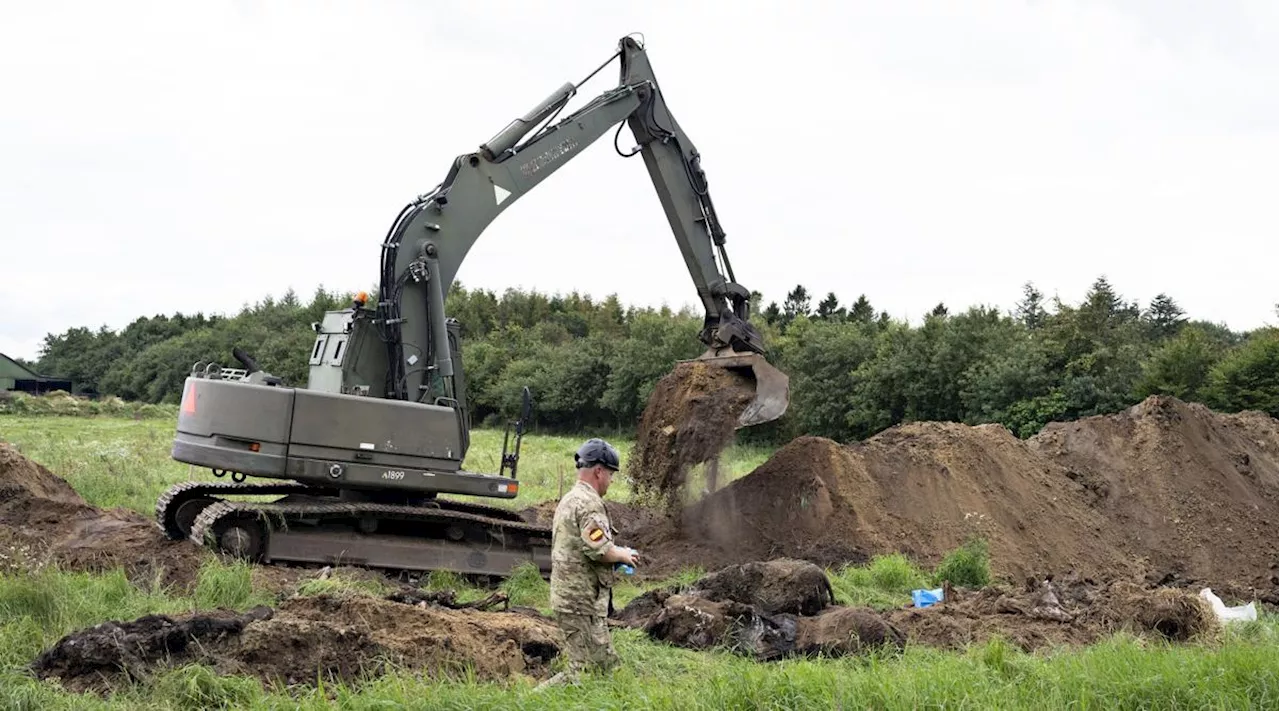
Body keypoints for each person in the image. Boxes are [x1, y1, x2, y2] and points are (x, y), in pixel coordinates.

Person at [536, 437, 640, 690]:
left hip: (578, 599)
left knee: (605, 662)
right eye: (611, 474)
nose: (611, 481)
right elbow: (599, 550)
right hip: (580, 600)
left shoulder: (570, 499)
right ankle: (533, 700)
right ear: (598, 471)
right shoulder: (590, 504)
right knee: (580, 671)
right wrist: (623, 555)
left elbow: (583, 545)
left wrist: (615, 552)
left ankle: (616, 697)